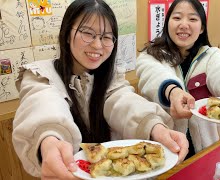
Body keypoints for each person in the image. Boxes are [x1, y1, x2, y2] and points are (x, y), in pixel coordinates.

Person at [12, 0, 188, 179]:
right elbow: (42, 103)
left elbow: (123, 100)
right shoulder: (40, 74)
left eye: (106, 37)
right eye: (88, 33)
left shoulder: (111, 77)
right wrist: (48, 140)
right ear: (66, 34)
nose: (97, 45)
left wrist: (155, 126)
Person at [136, 0, 220, 158]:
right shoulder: (150, 56)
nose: (184, 24)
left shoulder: (212, 56)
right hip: (165, 145)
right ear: (167, 23)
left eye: (192, 19)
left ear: (201, 28)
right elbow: (154, 74)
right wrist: (174, 92)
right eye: (177, 18)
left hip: (207, 146)